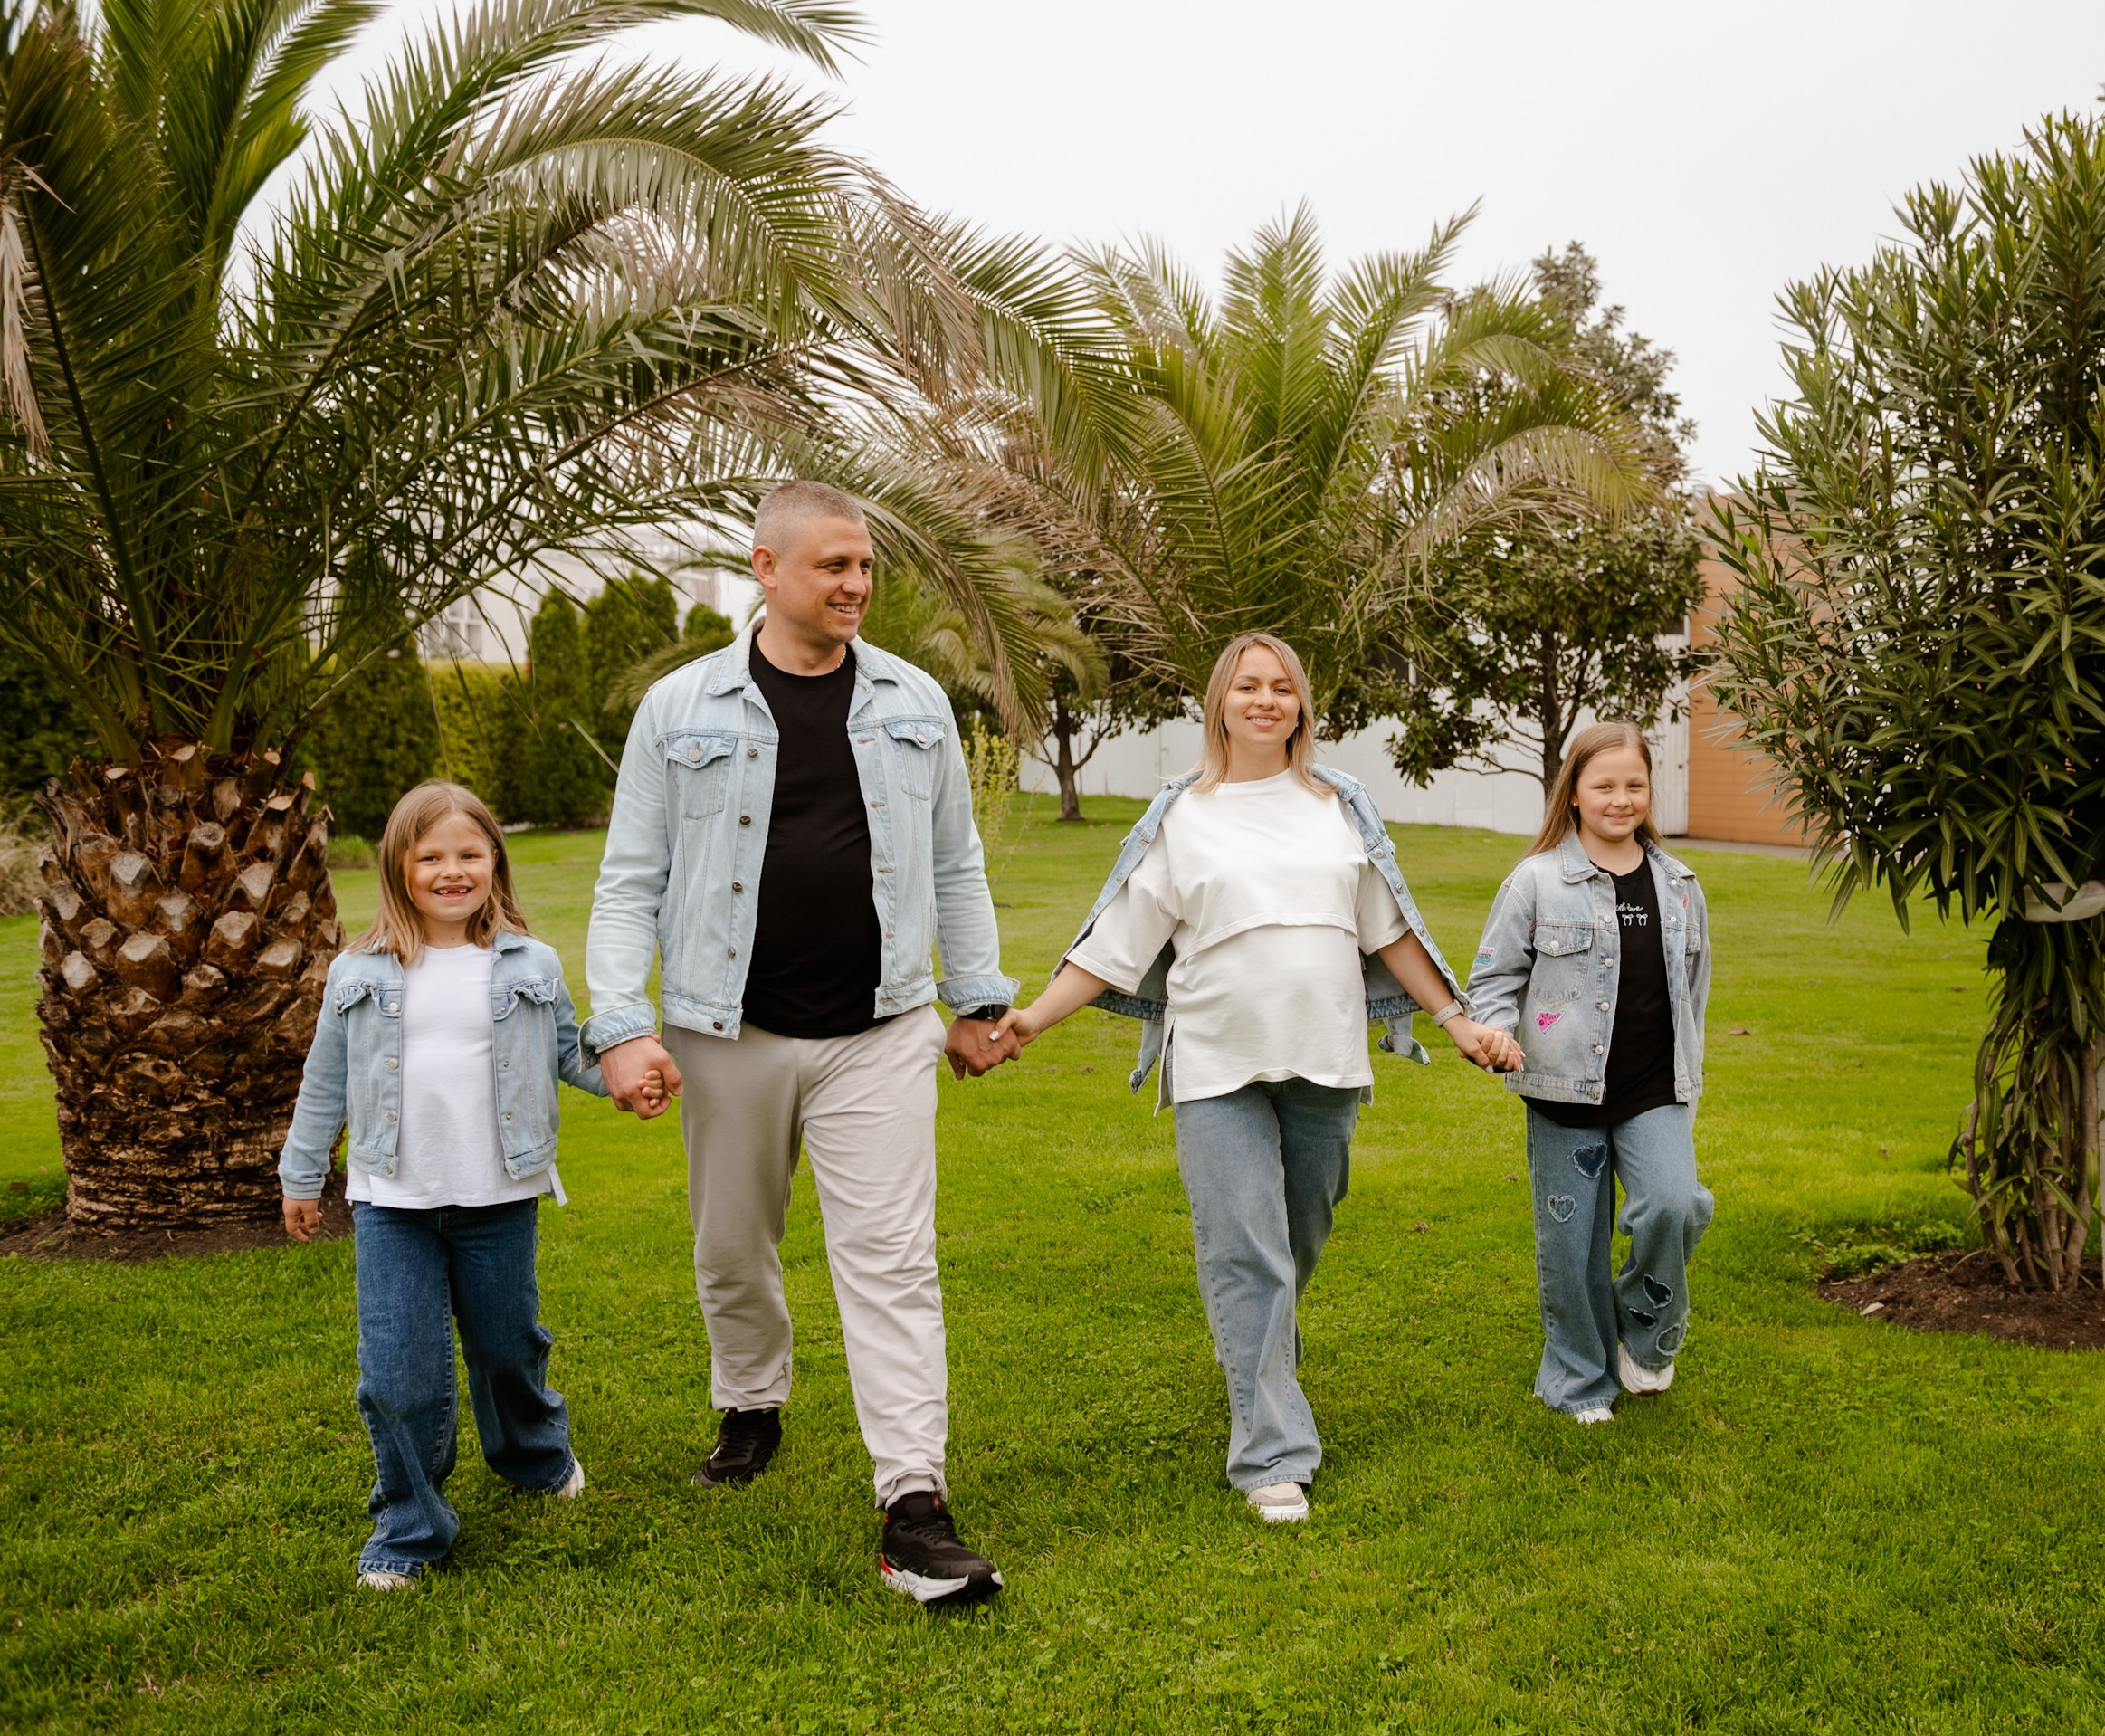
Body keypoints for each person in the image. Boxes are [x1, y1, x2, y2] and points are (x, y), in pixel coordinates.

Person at [583, 480, 1018, 1607]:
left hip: (878, 1029)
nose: (856, 585)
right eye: (833, 566)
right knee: (733, 1245)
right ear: (766, 569)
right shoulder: (680, 710)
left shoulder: (913, 703)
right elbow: (630, 882)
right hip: (727, 1031)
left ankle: (913, 1505)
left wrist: (974, 1000)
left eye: (865, 566)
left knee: (890, 1262)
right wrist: (625, 1026)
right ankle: (752, 1399)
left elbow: (957, 863)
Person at [995, 634, 1521, 1525]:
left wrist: (1454, 1017)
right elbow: (1118, 941)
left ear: (1301, 705)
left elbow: (1386, 928)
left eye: (1282, 687)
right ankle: (1271, 1454)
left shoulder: (1335, 804)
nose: (1266, 700)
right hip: (1214, 1059)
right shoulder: (1182, 814)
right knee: (1245, 1248)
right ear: (1221, 702)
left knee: (1295, 1238)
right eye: (1249, 686)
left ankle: (1261, 1348)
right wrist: (1030, 1019)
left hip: (1325, 1055)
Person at [279, 781, 648, 1589]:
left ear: (495, 864)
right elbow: (324, 1083)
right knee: (398, 1377)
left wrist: (626, 1076)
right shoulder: (357, 972)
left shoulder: (530, 963)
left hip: (497, 1197)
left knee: (508, 1346)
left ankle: (533, 1456)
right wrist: (301, 1175)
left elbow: (566, 1054)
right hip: (393, 1205)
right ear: (399, 868)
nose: (453, 871)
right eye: (432, 856)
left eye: (469, 854)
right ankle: (409, 1528)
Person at [1467, 720, 1715, 1424]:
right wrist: (1495, 1034)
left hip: (1653, 1089)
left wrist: (1686, 1070)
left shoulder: (1679, 884)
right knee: (1572, 1245)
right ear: (1573, 793)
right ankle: (1578, 1381)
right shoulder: (1536, 881)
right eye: (1603, 785)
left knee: (1676, 1203)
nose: (1620, 799)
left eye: (1634, 785)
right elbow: (1491, 980)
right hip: (1562, 1091)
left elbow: (1692, 989)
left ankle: (1646, 1328)